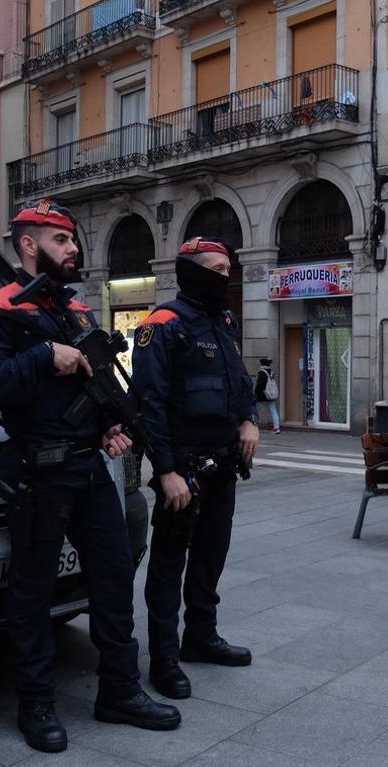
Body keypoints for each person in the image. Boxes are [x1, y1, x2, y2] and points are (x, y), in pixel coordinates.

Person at [0, 199, 180, 753]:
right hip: (38, 472)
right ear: (30, 244)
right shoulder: (0, 310)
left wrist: (112, 424)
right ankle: (35, 704)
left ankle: (120, 691)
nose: (74, 249)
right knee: (33, 592)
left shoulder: (77, 311)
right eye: (61, 240)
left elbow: (99, 383)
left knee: (112, 581)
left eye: (73, 240)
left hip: (88, 466)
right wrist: (42, 358)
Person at [131, 236, 260, 700]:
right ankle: (164, 658)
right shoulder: (162, 324)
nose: (226, 275)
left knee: (210, 558)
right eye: (217, 268)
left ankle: (200, 637)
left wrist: (250, 419)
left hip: (223, 466)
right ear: (192, 271)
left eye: (229, 268)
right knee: (169, 565)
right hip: (181, 470)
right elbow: (148, 405)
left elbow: (241, 383)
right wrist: (165, 471)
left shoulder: (224, 321)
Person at [254, 357, 281, 433]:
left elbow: (260, 384)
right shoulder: (271, 371)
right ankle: (277, 427)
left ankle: (254, 425)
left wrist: (255, 393)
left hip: (262, 395)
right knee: (273, 411)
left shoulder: (262, 372)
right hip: (270, 395)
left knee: (255, 411)